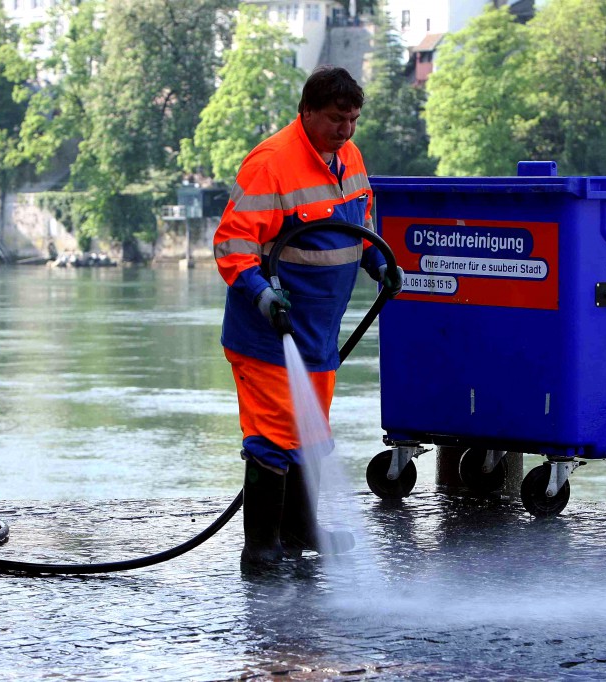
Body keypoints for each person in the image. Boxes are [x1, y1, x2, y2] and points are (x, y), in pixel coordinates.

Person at [212, 66, 402, 569]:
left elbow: (358, 225)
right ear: (308, 111)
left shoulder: (349, 157)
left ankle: (298, 530)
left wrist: (379, 261)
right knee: (275, 436)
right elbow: (232, 245)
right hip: (268, 333)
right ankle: (261, 549)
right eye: (337, 119)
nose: (346, 130)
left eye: (354, 120)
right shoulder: (271, 164)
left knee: (307, 434)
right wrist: (261, 295)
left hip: (317, 334)